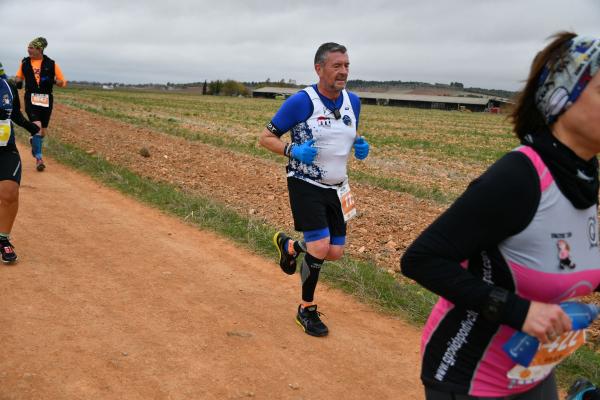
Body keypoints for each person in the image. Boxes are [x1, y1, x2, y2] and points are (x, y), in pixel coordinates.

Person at [401, 32, 600, 399]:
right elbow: (420, 260)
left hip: (534, 372)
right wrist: (518, 311)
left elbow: (561, 252)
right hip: (470, 377)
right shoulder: (520, 177)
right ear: (562, 97)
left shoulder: (585, 176)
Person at [258, 42, 370, 337]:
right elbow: (265, 138)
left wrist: (359, 145)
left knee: (334, 252)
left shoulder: (353, 101)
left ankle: (291, 246)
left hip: (338, 186)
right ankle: (306, 308)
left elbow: (349, 132)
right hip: (305, 182)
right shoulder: (301, 101)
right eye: (337, 66)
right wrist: (292, 150)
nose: (343, 71)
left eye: (346, 65)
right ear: (319, 68)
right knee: (320, 247)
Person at [0, 61, 41, 263]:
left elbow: (14, 113)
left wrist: (31, 128)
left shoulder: (6, 86)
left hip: (5, 148)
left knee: (9, 193)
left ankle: (3, 239)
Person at [15, 37, 67, 172]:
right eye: (28, 47)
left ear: (39, 49)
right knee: (37, 127)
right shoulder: (25, 62)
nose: (28, 50)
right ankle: (39, 158)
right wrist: (18, 82)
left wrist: (54, 81)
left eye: (31, 48)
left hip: (46, 100)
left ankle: (34, 142)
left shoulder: (51, 63)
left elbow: (63, 82)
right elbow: (19, 76)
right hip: (30, 98)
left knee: (42, 132)